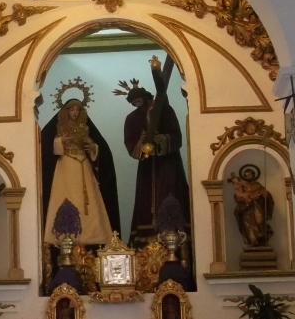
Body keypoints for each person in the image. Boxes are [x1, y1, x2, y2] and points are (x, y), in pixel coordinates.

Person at [119, 55, 190, 245]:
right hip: (147, 166)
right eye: (133, 103)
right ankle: (147, 243)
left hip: (168, 163)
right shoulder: (132, 118)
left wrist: (161, 139)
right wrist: (142, 144)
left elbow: (176, 136)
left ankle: (175, 238)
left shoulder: (165, 110)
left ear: (145, 96)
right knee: (147, 200)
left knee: (169, 193)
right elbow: (130, 143)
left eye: (138, 100)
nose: (136, 105)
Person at [41, 89, 119, 251]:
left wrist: (93, 147)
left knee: (88, 202)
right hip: (65, 166)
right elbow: (43, 145)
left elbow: (100, 148)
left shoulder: (86, 128)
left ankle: (92, 237)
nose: (75, 113)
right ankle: (63, 236)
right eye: (72, 109)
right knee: (65, 197)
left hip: (84, 166)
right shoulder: (58, 127)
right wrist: (60, 142)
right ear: (66, 111)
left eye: (77, 109)